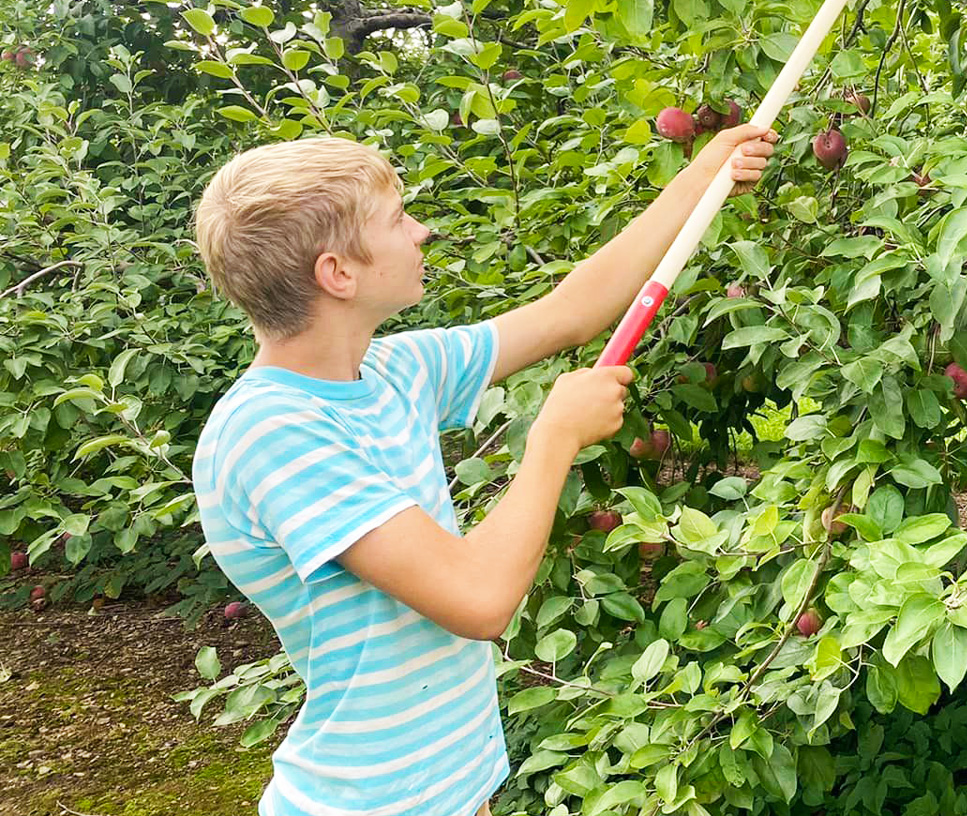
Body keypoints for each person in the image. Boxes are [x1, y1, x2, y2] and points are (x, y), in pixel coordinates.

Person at [189, 123, 777, 816]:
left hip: (451, 791)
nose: (422, 231)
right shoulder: (272, 433)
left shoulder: (390, 372)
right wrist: (556, 437)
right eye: (397, 219)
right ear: (337, 273)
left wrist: (701, 178)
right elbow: (478, 599)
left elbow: (571, 312)